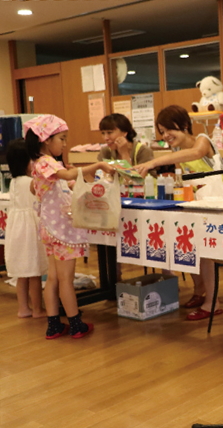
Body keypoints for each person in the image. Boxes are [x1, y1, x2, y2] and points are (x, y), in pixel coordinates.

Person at [25, 114, 116, 339]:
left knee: (54, 278)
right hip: (60, 230)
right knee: (66, 279)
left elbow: (36, 188)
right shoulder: (46, 162)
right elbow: (64, 175)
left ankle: (54, 324)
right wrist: (97, 165)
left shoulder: (40, 164)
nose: (65, 144)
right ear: (46, 139)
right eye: (62, 139)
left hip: (49, 228)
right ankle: (76, 323)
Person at [134, 105, 223, 320]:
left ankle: (213, 302)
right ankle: (199, 291)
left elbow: (196, 153)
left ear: (184, 125)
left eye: (169, 130)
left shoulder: (202, 140)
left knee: (205, 254)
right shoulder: (176, 152)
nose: (166, 136)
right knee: (187, 246)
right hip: (198, 204)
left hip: (219, 204)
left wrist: (153, 162)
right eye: (162, 131)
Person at [5, 138, 47, 318]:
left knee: (22, 274)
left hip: (16, 231)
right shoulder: (29, 182)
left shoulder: (14, 182)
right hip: (30, 231)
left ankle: (23, 308)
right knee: (34, 273)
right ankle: (38, 309)